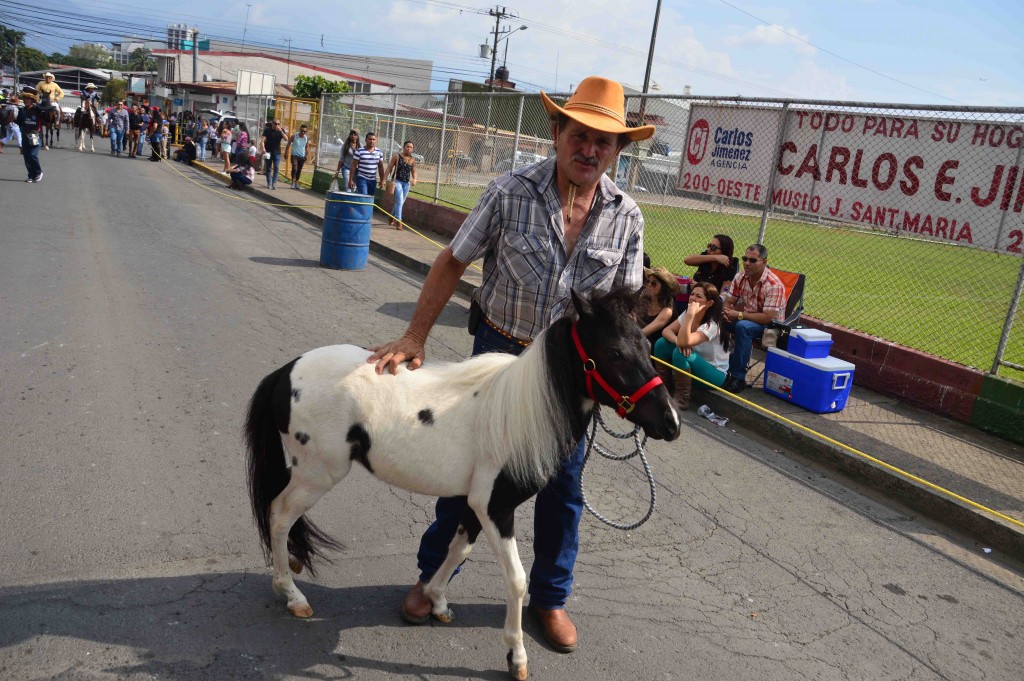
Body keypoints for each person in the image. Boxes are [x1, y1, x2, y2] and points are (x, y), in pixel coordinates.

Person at [368, 76, 655, 654]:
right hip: (499, 357)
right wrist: (415, 335)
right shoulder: (509, 191)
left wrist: (623, 379)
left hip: (572, 378)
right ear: (557, 133)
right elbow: (453, 261)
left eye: (605, 142)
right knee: (464, 475)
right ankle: (431, 578)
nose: (590, 150)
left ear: (619, 150)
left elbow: (621, 311)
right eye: (580, 135)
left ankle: (548, 600)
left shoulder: (628, 216)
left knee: (562, 489)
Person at [721, 244, 787, 394]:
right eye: (745, 259)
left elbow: (767, 318)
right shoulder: (741, 276)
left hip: (771, 328)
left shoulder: (773, 285)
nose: (746, 263)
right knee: (717, 317)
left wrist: (738, 315)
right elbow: (729, 300)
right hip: (747, 319)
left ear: (764, 262)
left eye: (752, 260)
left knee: (743, 327)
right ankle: (718, 365)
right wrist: (726, 310)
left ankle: (738, 378)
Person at [652, 281, 730, 408]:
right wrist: (678, 341)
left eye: (699, 296)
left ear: (709, 304)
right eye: (692, 294)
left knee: (680, 353)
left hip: (714, 374)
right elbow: (666, 331)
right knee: (661, 344)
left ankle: (681, 400)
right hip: (692, 363)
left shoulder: (712, 326)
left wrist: (690, 315)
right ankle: (663, 389)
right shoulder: (688, 314)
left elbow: (685, 342)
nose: (693, 298)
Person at [638, 266, 679, 346]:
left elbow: (645, 332)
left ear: (663, 288)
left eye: (654, 283)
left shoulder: (667, 310)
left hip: (655, 347)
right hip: (641, 341)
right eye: (647, 281)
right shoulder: (644, 300)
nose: (648, 285)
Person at [384, 140, 418, 227]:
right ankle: (399, 221)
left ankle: (392, 216)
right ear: (403, 147)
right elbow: (389, 168)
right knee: (399, 201)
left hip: (406, 183)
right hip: (397, 181)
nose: (409, 149)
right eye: (407, 146)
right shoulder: (397, 156)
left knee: (401, 202)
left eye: (411, 147)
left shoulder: (412, 160)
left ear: (413, 149)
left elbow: (414, 171)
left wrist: (414, 179)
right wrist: (384, 179)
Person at [16, 90, 43, 182]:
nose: (25, 101)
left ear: (32, 100)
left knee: (32, 155)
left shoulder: (37, 109)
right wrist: (11, 118)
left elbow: (46, 115)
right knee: (26, 157)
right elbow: (19, 122)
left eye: (28, 99)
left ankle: (38, 172)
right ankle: (31, 175)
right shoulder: (22, 110)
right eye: (25, 99)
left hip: (36, 135)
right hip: (25, 136)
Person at [348, 131, 384, 195]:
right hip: (362, 178)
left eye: (373, 139)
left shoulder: (379, 152)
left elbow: (380, 167)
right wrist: (350, 180)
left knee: (370, 198)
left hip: (373, 180)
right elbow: (353, 166)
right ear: (366, 140)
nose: (372, 141)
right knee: (364, 196)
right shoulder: (359, 151)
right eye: (370, 139)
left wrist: (382, 180)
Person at [260, 119, 286, 189]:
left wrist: (280, 131)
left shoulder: (281, 130)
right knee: (268, 168)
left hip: (277, 152)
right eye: (275, 123)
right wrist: (263, 148)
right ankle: (269, 183)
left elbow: (286, 138)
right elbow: (262, 140)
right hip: (268, 152)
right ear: (272, 124)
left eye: (278, 124)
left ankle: (274, 183)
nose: (276, 125)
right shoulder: (267, 130)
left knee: (276, 167)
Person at [284, 124, 310, 189]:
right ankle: (292, 182)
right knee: (294, 168)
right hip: (294, 155)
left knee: (299, 170)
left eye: (304, 131)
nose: (303, 132)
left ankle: (296, 183)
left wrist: (306, 155)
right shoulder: (294, 136)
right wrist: (286, 153)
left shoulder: (306, 138)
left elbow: (307, 147)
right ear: (299, 130)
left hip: (302, 156)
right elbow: (288, 144)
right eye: (302, 131)